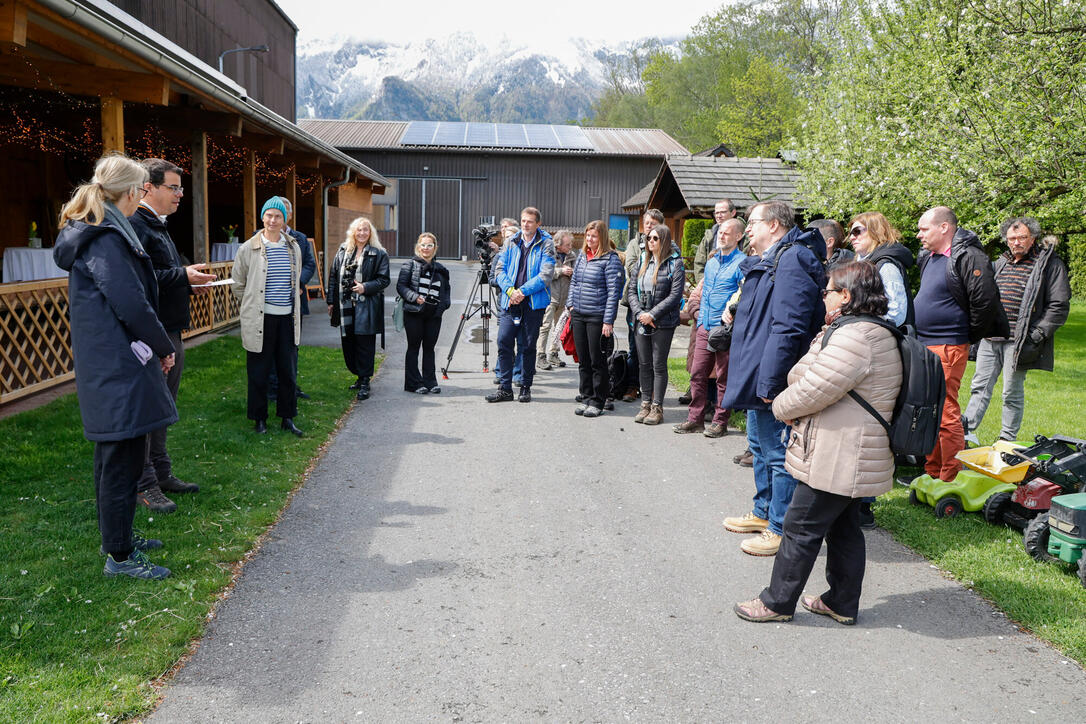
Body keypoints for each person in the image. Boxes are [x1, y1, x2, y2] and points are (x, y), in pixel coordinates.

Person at [734, 261, 903, 624]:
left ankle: (776, 603)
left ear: (846, 295)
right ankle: (840, 602)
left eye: (828, 290)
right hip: (847, 449)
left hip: (842, 451)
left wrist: (779, 407)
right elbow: (804, 371)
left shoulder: (857, 336)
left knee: (799, 526)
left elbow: (814, 387)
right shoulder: (857, 330)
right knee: (843, 528)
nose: (822, 296)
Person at [53, 154, 176, 580]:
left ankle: (119, 539)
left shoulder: (101, 231)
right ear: (128, 193)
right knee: (119, 461)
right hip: (117, 368)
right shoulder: (104, 238)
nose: (143, 197)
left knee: (117, 457)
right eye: (143, 190)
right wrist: (163, 345)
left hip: (114, 364)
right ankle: (120, 557)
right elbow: (130, 303)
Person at [721, 200, 827, 557]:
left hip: (774, 375)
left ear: (776, 225)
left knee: (778, 452)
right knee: (759, 446)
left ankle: (780, 528)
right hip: (758, 370)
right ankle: (763, 512)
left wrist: (770, 382)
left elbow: (789, 327)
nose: (747, 228)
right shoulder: (772, 257)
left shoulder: (793, 258)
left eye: (753, 222)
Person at [130, 158, 214, 515]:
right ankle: (144, 483)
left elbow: (166, 272)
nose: (181, 194)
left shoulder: (158, 225)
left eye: (181, 187)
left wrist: (186, 279)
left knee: (165, 407)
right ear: (149, 187)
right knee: (150, 411)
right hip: (155, 331)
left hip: (170, 328)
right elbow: (143, 281)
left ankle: (162, 473)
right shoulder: (138, 225)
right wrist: (183, 276)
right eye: (174, 187)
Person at [915, 206, 1008, 481]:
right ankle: (933, 470)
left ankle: (951, 475)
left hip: (948, 344)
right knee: (929, 410)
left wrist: (965, 336)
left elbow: (985, 301)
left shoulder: (969, 256)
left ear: (944, 227)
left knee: (945, 410)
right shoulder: (929, 257)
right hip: (925, 343)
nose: (919, 234)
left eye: (924, 229)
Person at [964, 217, 1070, 444]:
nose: (1016, 243)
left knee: (1010, 392)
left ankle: (1006, 440)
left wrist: (1037, 334)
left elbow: (1059, 305)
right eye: (1012, 238)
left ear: (1033, 238)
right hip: (990, 338)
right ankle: (966, 432)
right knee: (979, 387)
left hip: (1019, 341)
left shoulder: (1049, 264)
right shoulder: (999, 263)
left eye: (1022, 237)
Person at [232, 198, 305, 436]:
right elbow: (238, 284)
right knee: (259, 373)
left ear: (285, 220)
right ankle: (259, 419)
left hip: (287, 320)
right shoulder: (248, 248)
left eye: (278, 217)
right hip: (260, 320)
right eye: (269, 215)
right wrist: (251, 306)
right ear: (262, 217)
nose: (273, 221)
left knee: (288, 372)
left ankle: (287, 418)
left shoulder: (293, 246)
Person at [673, 218, 745, 437]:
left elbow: (744, 295)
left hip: (724, 330)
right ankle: (695, 419)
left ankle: (720, 421)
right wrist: (700, 318)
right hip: (705, 325)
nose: (721, 236)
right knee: (697, 374)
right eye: (720, 232)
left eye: (726, 233)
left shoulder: (742, 264)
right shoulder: (712, 263)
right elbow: (704, 293)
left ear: (738, 237)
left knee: (723, 377)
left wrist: (731, 317)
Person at [487, 207, 555, 403]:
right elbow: (500, 270)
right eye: (523, 221)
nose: (525, 224)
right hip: (510, 301)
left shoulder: (546, 244)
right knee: (504, 341)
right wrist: (511, 292)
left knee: (527, 346)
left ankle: (525, 386)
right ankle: (505, 388)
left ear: (538, 224)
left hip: (533, 303)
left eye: (530, 221)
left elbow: (546, 275)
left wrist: (522, 292)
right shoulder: (511, 241)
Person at [326, 217, 391, 401]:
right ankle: (358, 374)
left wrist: (365, 287)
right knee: (349, 344)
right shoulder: (342, 251)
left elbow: (384, 280)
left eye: (366, 230)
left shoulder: (379, 253)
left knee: (364, 345)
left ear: (371, 233)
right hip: (345, 305)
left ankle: (365, 381)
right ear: (353, 232)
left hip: (366, 306)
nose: (362, 233)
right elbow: (333, 277)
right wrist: (331, 301)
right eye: (359, 230)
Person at [627, 224, 684, 425]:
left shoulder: (675, 264)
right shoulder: (642, 261)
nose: (650, 242)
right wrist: (640, 313)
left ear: (664, 240)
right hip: (641, 319)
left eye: (655, 238)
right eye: (648, 238)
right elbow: (631, 291)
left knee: (658, 364)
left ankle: (657, 407)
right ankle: (645, 404)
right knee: (644, 364)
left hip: (663, 322)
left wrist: (652, 314)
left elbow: (675, 295)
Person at [567, 220, 624, 417]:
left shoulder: (610, 260)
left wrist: (608, 321)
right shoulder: (583, 256)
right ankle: (586, 396)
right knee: (583, 360)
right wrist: (570, 304)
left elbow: (613, 293)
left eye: (594, 236)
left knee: (596, 360)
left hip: (597, 317)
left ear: (602, 238)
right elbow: (574, 282)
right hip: (579, 314)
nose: (590, 239)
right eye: (588, 235)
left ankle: (598, 401)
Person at [268, 196, 317, 401]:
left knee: (291, 347)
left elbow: (309, 264)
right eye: (275, 212)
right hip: (270, 303)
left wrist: (299, 283)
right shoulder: (258, 237)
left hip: (294, 303)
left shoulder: (301, 238)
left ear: (289, 215)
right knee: (270, 348)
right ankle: (272, 388)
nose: (279, 216)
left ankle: (291, 386)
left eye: (284, 212)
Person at [619, 209, 665, 402]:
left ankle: (652, 389)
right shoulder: (634, 244)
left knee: (656, 350)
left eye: (654, 224)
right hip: (636, 303)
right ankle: (632, 385)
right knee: (634, 347)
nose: (650, 227)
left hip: (658, 304)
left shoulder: (669, 246)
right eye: (647, 223)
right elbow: (631, 268)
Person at [397, 232, 451, 393]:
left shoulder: (441, 269)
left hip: (434, 314)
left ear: (435, 248)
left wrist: (444, 305)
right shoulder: (409, 265)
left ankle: (430, 381)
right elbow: (401, 287)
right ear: (418, 247)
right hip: (414, 312)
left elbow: (446, 290)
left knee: (429, 347)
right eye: (423, 245)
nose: (426, 248)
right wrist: (414, 297)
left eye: (429, 245)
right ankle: (413, 383)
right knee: (414, 347)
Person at [848, 212, 914, 329]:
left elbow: (896, 313)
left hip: (883, 338)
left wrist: (868, 329)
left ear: (875, 231)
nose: (852, 237)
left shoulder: (886, 265)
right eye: (851, 233)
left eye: (857, 231)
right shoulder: (863, 263)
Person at [537, 229, 577, 370]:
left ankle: (553, 353)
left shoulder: (572, 256)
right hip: (550, 297)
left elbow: (577, 276)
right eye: (567, 244)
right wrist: (561, 271)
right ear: (558, 245)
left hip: (564, 298)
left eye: (570, 244)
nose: (570, 247)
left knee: (559, 327)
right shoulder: (549, 254)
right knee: (545, 327)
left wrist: (573, 274)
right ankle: (540, 355)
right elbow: (544, 274)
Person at [492, 218, 523, 385]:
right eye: (506, 235)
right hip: (504, 301)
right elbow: (492, 279)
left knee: (522, 342)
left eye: (513, 235)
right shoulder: (499, 256)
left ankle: (518, 374)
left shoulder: (523, 253)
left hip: (522, 300)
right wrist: (508, 286)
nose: (509, 238)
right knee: (504, 340)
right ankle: (501, 371)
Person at [693, 199, 738, 283]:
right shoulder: (709, 237)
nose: (719, 216)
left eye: (723, 212)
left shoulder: (742, 236)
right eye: (716, 213)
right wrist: (704, 284)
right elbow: (699, 263)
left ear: (733, 213)